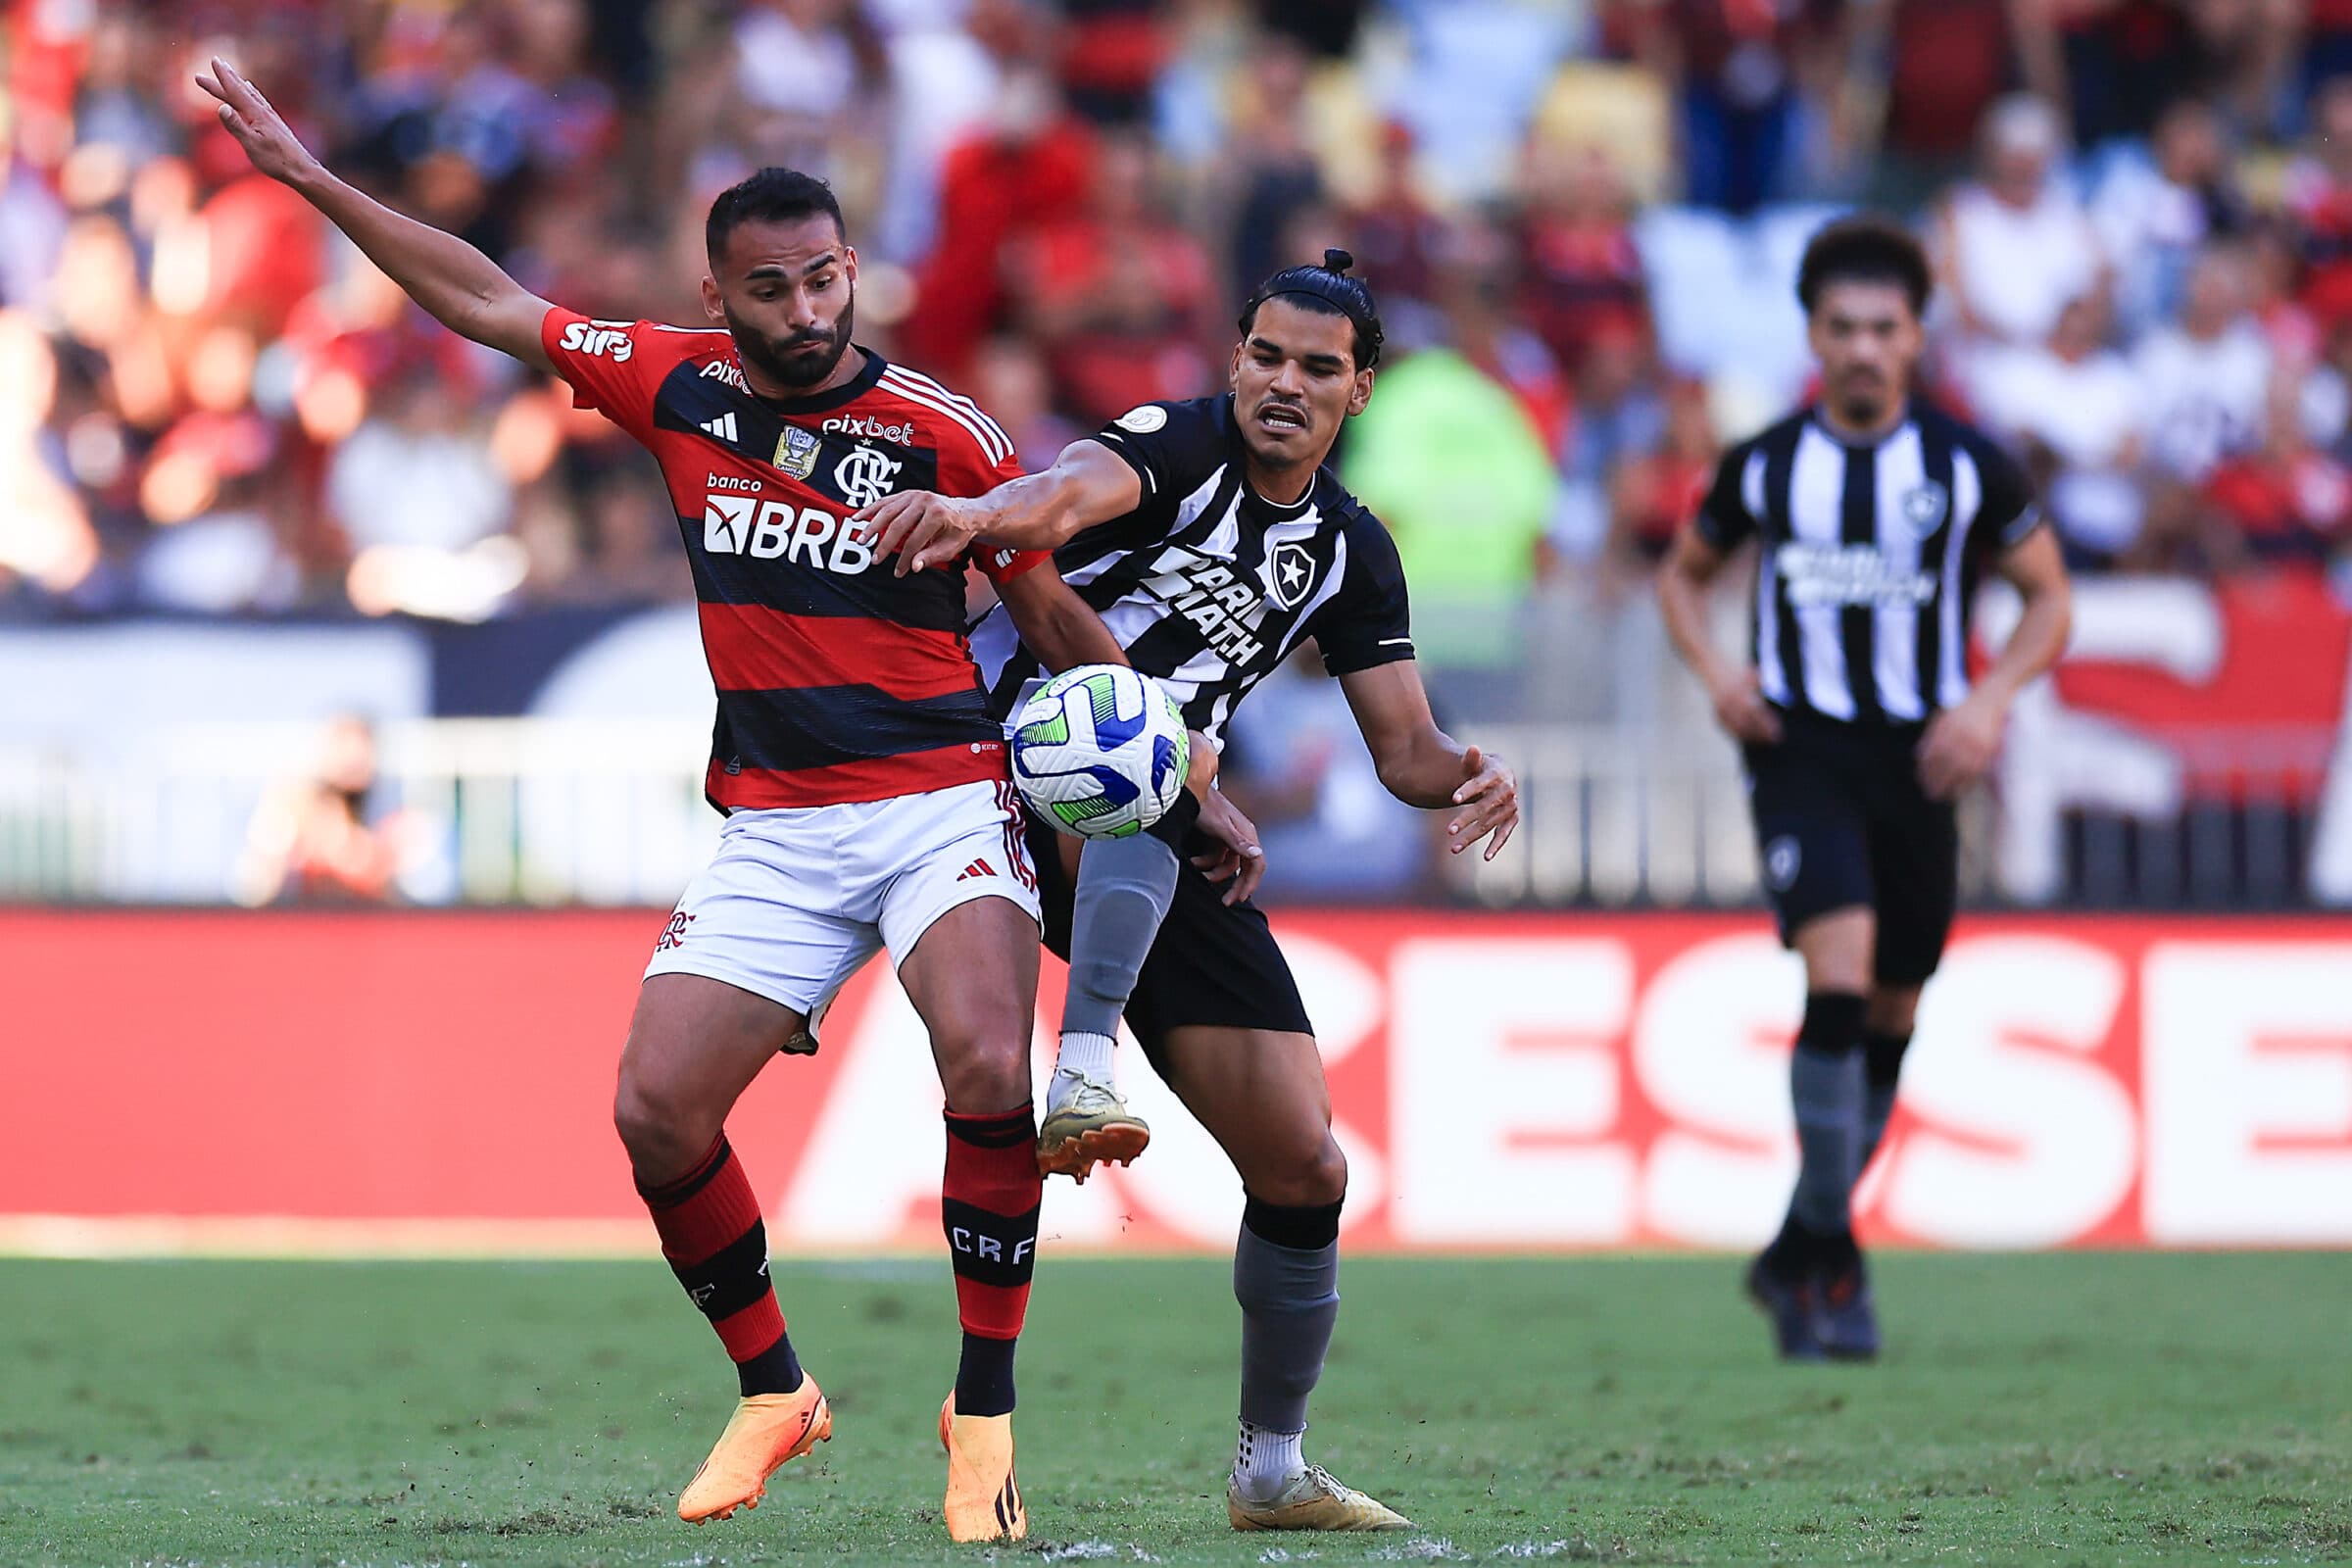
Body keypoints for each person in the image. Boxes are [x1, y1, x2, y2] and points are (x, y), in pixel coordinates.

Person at [195, 57, 1244, 1544]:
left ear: (851, 269)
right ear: (719, 292)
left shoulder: (949, 435)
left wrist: (1187, 771)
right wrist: (309, 178)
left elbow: (1062, 623)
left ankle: (984, 1411)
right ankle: (774, 1390)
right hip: (777, 820)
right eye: (772, 290)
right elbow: (489, 298)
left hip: (945, 794)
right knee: (655, 1109)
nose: (807, 313)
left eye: (825, 280)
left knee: (981, 1065)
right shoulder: (671, 379)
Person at [854, 250, 1520, 1531]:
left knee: (1307, 1164)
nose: (1283, 383)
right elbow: (1058, 495)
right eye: (1264, 355)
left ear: (1358, 392)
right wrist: (993, 516)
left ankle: (1271, 1468)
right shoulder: (1175, 445)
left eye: (1315, 368)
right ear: (1235, 360)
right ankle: (1083, 1065)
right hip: (1014, 757)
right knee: (1150, 734)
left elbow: (1404, 752)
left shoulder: (1351, 550)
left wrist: (1472, 775)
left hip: (1167, 825)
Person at [1655, 217, 2073, 1361]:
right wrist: (1718, 673)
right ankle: (1834, 1261)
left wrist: (1987, 706)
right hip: (1802, 750)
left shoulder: (1965, 464)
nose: (1863, 349)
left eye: (1884, 329)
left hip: (1922, 757)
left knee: (1894, 1006)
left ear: (1917, 337)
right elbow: (1681, 578)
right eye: (1842, 328)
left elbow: (2050, 598)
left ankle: (1799, 1243)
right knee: (1837, 979)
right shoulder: (1766, 463)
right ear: (1813, 336)